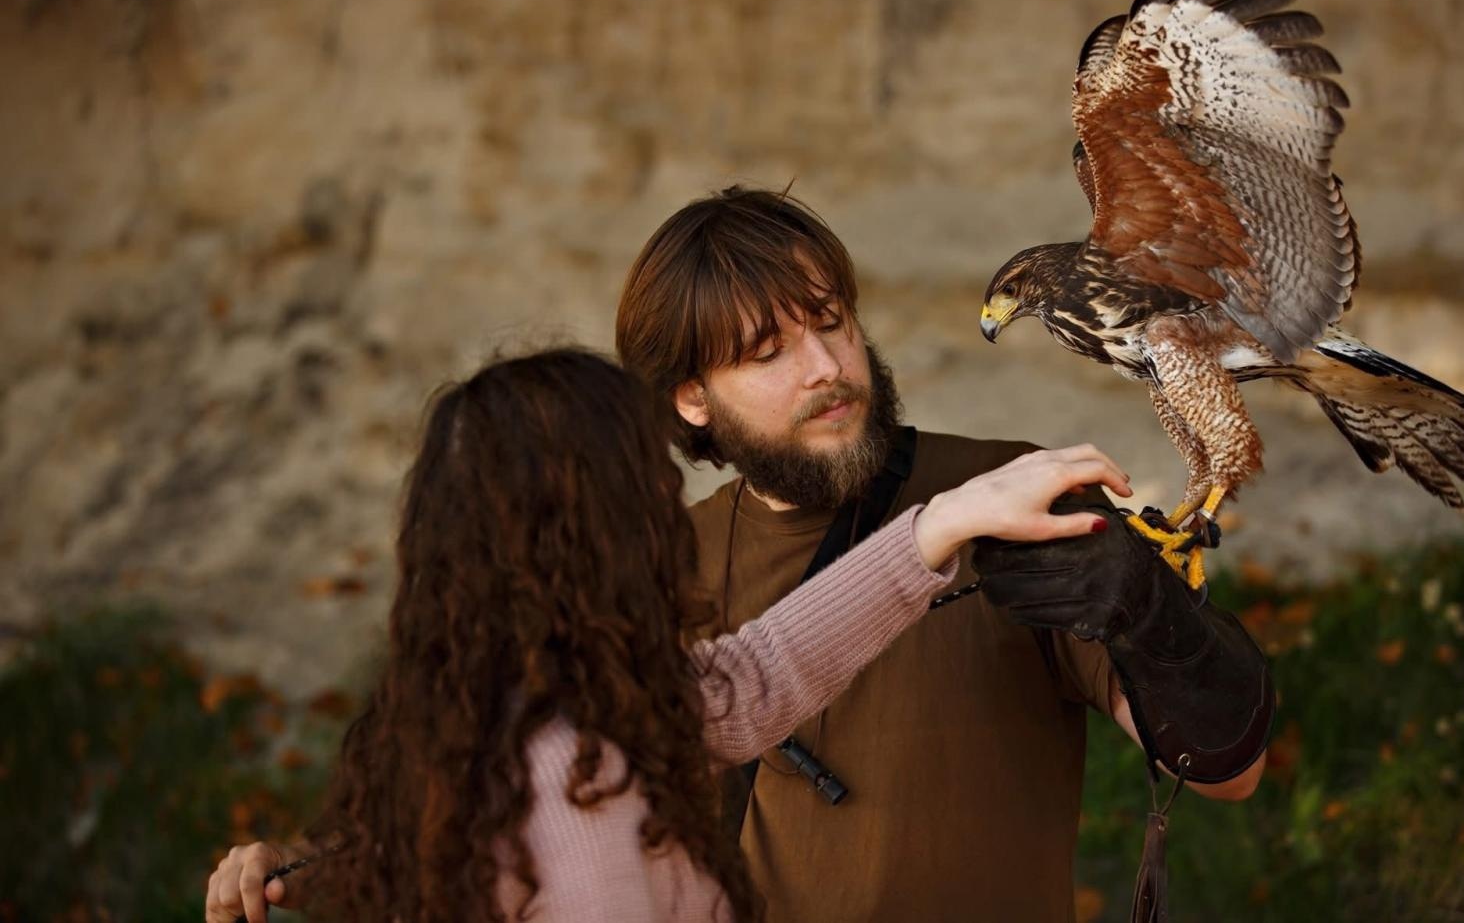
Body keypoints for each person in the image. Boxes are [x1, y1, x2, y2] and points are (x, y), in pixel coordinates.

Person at [205, 349, 1135, 923]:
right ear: (598, 523)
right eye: (642, 477)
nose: (667, 495)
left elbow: (759, 673)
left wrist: (949, 518)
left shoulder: (505, 710)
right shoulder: (580, 778)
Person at [611, 187, 1273, 922]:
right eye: (769, 353)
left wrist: (1151, 611)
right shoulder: (660, 570)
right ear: (694, 398)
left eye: (832, 322)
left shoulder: (1013, 497)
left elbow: (1230, 775)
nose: (826, 366)